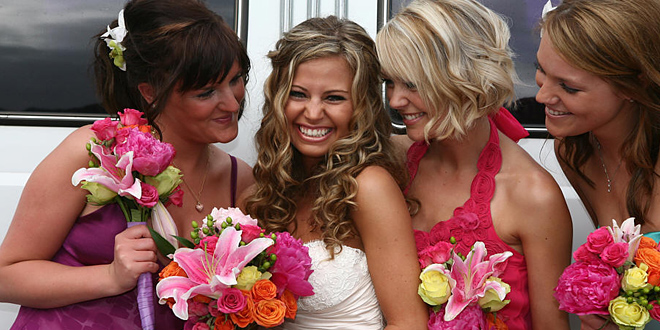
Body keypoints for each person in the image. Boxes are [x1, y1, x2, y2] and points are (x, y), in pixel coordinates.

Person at [0, 0, 255, 328]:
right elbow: (6, 275)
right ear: (150, 92)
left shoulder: (240, 179)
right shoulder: (93, 152)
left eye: (237, 79)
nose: (233, 102)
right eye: (206, 92)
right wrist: (110, 277)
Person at [376, 0, 573, 329]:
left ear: (461, 77)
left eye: (412, 84)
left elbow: (552, 325)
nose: (395, 101)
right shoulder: (394, 166)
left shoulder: (532, 194)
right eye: (390, 83)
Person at [537, 0, 660, 329]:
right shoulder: (575, 151)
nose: (542, 96)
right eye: (541, 71)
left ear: (634, 85)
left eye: (569, 87)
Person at [243, 16, 428, 330]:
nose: (313, 113)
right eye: (299, 94)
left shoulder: (368, 187)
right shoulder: (261, 194)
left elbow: (408, 322)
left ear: (362, 106)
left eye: (334, 98)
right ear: (278, 98)